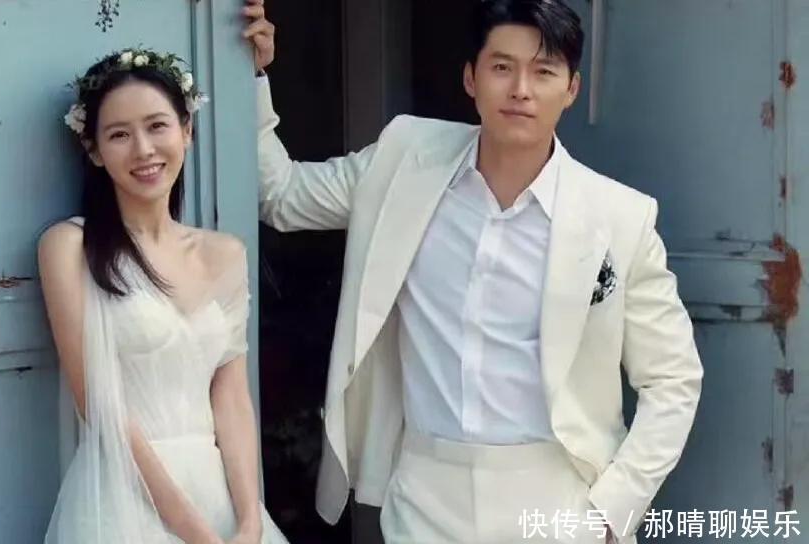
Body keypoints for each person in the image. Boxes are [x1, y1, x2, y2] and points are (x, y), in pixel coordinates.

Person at [242, 0, 703, 542]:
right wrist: (252, 73)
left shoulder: (619, 216)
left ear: (571, 89)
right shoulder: (404, 160)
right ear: (471, 78)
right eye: (502, 67)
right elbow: (282, 195)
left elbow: (673, 379)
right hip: (425, 494)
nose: (521, 90)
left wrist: (612, 511)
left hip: (558, 495)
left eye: (544, 71)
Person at [39, 48, 288, 544]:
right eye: (119, 135)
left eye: (157, 126)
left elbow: (231, 397)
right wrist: (195, 533)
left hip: (219, 494)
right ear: (94, 150)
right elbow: (99, 406)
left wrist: (249, 519)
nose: (143, 150)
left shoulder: (225, 253)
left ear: (186, 131)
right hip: (124, 495)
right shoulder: (69, 246)